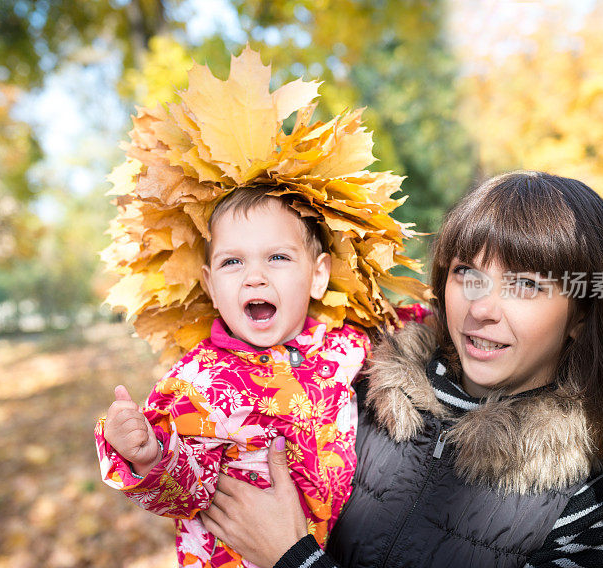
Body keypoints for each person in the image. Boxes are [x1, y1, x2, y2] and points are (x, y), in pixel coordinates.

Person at [200, 171, 603, 568]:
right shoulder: (354, 392)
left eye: (525, 285)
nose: (482, 308)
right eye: (467, 273)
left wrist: (293, 560)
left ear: (581, 314)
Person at [94, 46, 430, 568]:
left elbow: (407, 329)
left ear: (317, 276)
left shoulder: (343, 344)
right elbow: (186, 490)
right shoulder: (199, 383)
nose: (255, 275)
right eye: (232, 263)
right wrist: (147, 456)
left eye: (277, 257)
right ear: (209, 283)